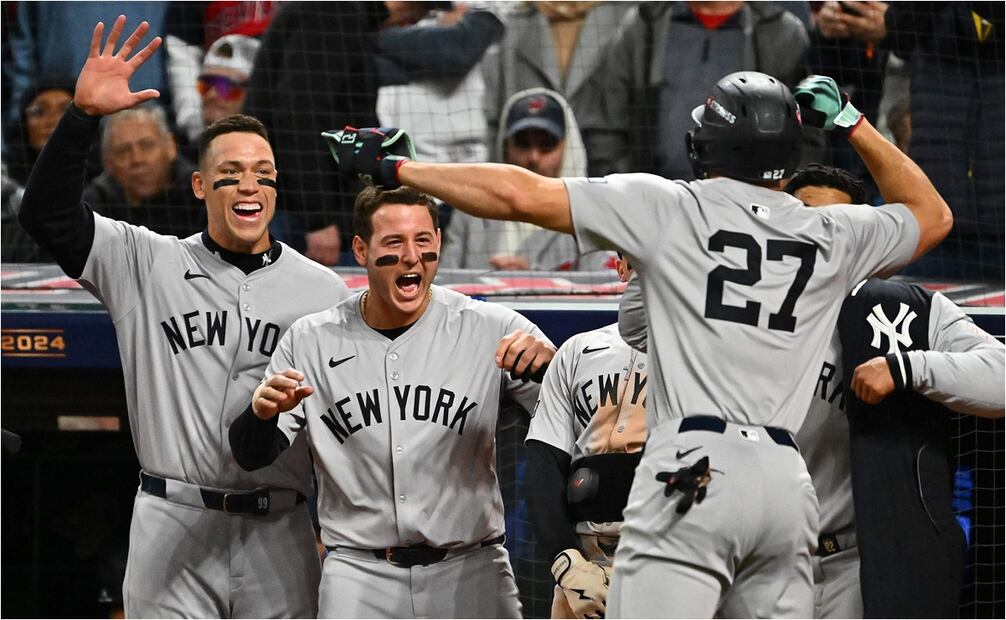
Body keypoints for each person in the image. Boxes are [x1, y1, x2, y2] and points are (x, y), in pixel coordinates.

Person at [325, 69, 952, 617]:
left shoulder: (670, 207)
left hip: (693, 469)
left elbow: (518, 194)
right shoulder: (831, 231)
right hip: (788, 484)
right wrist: (852, 121)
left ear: (708, 142)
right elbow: (933, 214)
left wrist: (399, 167)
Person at [17, 17, 351, 617]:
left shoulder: (322, 288)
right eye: (229, 175)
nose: (248, 186)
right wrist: (81, 117)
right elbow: (46, 215)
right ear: (199, 185)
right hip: (173, 522)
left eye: (263, 175)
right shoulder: (146, 261)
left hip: (282, 531)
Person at [620, 162, 1003, 617]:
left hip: (860, 565)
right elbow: (636, 324)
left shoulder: (903, 313)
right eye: (804, 218)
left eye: (836, 226)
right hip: (754, 557)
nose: (818, 239)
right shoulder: (734, 306)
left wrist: (907, 367)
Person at [229, 185, 556, 618]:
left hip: (472, 570)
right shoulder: (311, 339)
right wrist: (261, 414)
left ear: (438, 241)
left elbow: (574, 419)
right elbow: (252, 455)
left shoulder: (491, 327)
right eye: (394, 242)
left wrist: (551, 370)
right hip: (359, 576)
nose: (411, 256)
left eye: (423, 240)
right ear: (361, 249)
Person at [526, 253, 647, 619]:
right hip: (584, 562)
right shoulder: (577, 350)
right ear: (622, 267)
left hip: (667, 556)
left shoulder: (707, 355)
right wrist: (566, 564)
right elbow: (544, 462)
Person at [442, 88, 610, 271]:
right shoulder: (470, 210)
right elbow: (445, 282)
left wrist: (530, 284)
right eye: (523, 143)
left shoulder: (590, 217)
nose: (533, 157)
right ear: (505, 147)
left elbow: (602, 292)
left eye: (547, 145)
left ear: (568, 148)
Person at [483, 1, 637, 176]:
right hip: (527, 176)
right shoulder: (512, 20)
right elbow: (495, 121)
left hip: (610, 172)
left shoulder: (632, 16)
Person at [84, 104, 206, 237]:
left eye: (146, 145)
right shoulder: (94, 206)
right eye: (122, 151)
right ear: (107, 161)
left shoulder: (202, 193)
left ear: (170, 146)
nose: (137, 159)